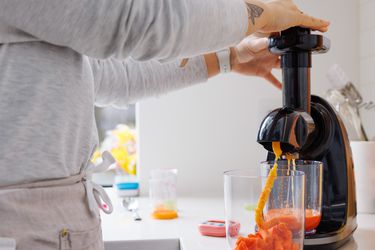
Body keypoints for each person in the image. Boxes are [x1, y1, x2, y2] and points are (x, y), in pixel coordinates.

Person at [0, 0, 329, 249]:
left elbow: (106, 77)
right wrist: (262, 13)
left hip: (53, 225)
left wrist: (231, 56)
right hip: (24, 228)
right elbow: (136, 23)